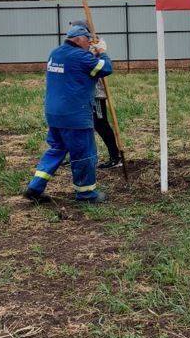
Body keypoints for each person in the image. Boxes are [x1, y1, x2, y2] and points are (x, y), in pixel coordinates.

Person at [24, 24, 112, 205]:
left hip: (54, 113)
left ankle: (35, 187)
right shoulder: (80, 56)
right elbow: (105, 68)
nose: (89, 43)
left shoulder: (56, 53)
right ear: (78, 39)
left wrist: (91, 54)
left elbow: (79, 69)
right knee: (84, 154)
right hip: (75, 115)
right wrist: (102, 52)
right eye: (87, 40)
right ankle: (87, 194)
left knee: (56, 150)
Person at [68, 19, 122, 169]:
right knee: (78, 125)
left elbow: (102, 66)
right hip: (81, 94)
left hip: (95, 94)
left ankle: (115, 156)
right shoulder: (76, 49)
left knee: (101, 124)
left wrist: (99, 50)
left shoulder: (92, 46)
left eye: (73, 29)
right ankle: (77, 155)